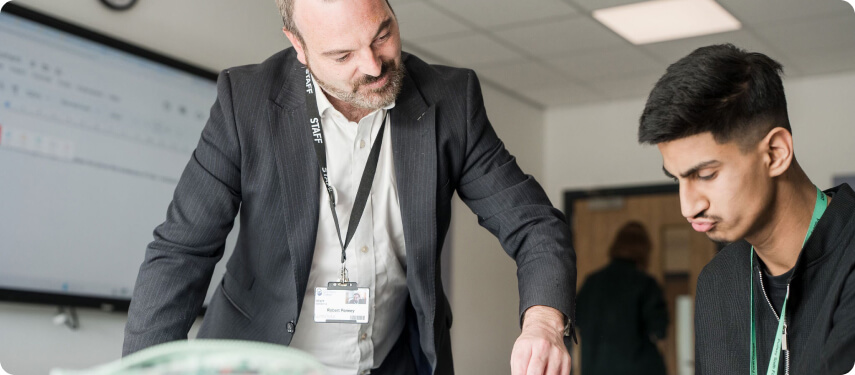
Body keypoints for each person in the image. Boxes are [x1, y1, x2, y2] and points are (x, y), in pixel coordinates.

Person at [122, 0, 577, 374]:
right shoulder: (246, 103)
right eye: (342, 56)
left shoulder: (450, 101)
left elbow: (535, 225)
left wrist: (543, 322)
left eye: (382, 34)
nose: (374, 65)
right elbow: (181, 251)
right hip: (258, 361)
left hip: (393, 362)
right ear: (298, 46)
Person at [637, 43, 855, 374]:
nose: (688, 206)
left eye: (706, 174)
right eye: (677, 179)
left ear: (776, 152)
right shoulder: (717, 281)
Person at [576, 221, 667, 375]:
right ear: (645, 250)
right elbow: (659, 330)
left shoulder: (591, 283)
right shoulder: (645, 283)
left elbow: (576, 322)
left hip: (594, 369)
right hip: (638, 368)